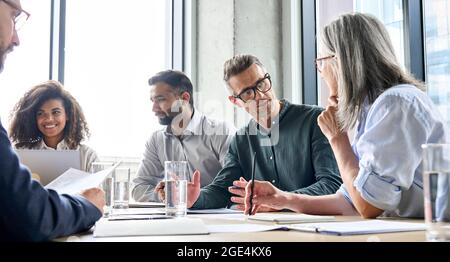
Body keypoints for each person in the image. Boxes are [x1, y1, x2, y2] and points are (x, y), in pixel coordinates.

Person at [243, 13, 447, 218]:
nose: (320, 72)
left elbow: (368, 205)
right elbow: (349, 201)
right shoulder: (373, 109)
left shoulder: (395, 104)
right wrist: (282, 199)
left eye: (321, 61)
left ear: (341, 61)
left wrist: (337, 138)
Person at [161, 54, 342, 210]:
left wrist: (280, 201)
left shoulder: (316, 120)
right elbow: (223, 190)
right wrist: (193, 198)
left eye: (262, 84)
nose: (261, 95)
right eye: (248, 93)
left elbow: (332, 184)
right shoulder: (241, 141)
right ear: (235, 101)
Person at [0, 0, 104, 241]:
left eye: (56, 112)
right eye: (14, 17)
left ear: (69, 115)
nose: (16, 39)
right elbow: (30, 214)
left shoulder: (87, 154)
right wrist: (86, 205)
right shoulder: (18, 152)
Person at [132, 70, 236, 202]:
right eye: (152, 101)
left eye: (161, 100)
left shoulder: (221, 132)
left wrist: (187, 195)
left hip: (216, 218)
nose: (154, 108)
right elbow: (138, 188)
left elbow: (233, 183)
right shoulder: (156, 140)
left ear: (185, 98)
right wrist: (163, 195)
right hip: (173, 218)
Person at [9, 80, 99, 172]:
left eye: (56, 112)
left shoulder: (87, 156)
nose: (49, 119)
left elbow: (98, 186)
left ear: (68, 114)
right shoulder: (21, 154)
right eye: (40, 113)